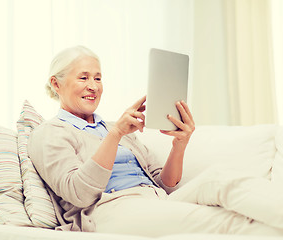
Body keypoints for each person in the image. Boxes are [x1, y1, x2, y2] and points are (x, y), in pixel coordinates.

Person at [28, 46, 283, 237]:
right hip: (110, 212)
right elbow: (79, 193)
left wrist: (180, 144)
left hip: (157, 200)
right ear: (56, 83)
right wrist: (115, 135)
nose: (93, 86)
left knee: (220, 178)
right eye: (83, 78)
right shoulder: (49, 133)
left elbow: (166, 183)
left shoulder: (112, 127)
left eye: (98, 77)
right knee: (228, 222)